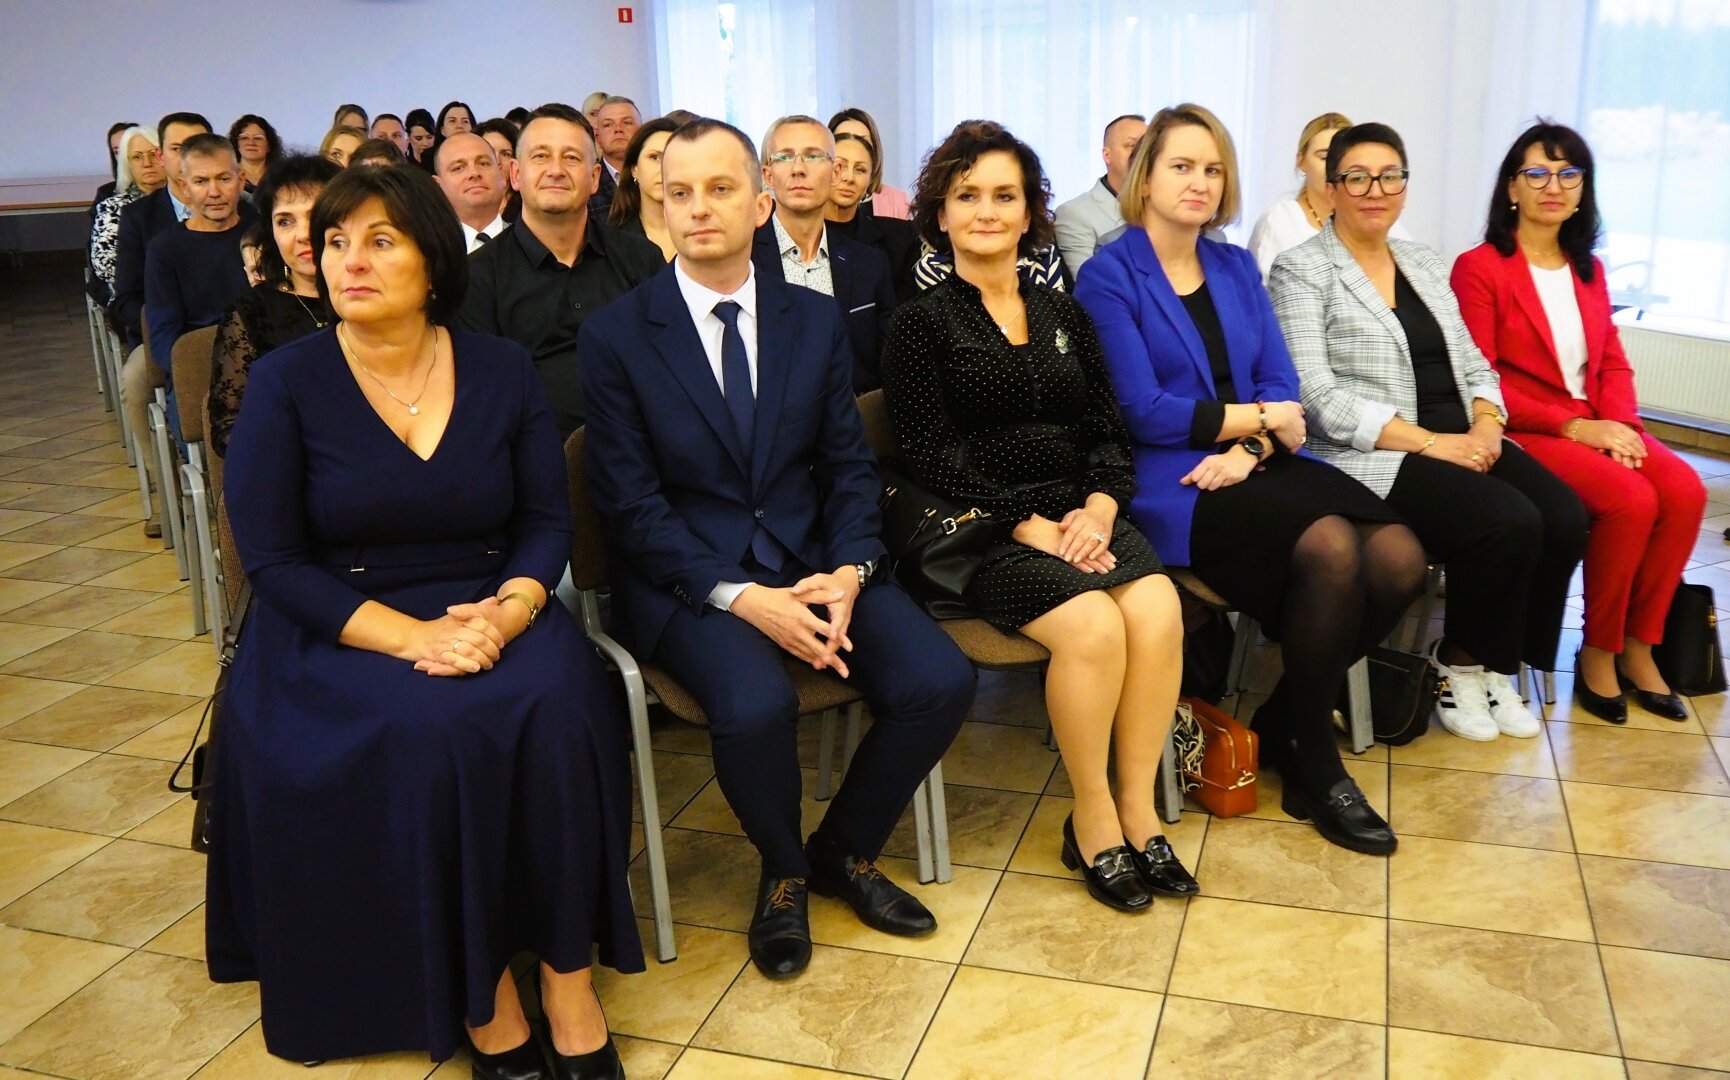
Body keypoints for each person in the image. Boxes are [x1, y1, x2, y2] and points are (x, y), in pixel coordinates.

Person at [210, 163, 640, 1078]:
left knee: (564, 707)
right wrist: (416, 638)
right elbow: (274, 562)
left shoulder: (500, 367)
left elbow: (544, 524)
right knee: (429, 726)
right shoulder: (286, 381)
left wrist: (510, 613)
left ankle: (567, 975)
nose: (348, 262)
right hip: (338, 618)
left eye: (380, 241)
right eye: (335, 243)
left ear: (434, 261)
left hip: (488, 600)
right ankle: (484, 995)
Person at [578, 119, 975, 981]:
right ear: (659, 205)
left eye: (720, 189)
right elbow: (631, 508)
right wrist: (743, 598)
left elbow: (846, 465)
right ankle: (784, 870)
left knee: (939, 680)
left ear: (760, 205)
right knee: (757, 705)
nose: (698, 208)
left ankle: (844, 849)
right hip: (688, 580)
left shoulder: (812, 318)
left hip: (815, 559)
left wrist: (852, 571)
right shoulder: (617, 335)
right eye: (679, 192)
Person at [1076, 105, 1422, 854]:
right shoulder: (1109, 275)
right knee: (1332, 548)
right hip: (1174, 480)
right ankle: (1315, 763)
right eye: (1181, 166)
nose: (1199, 182)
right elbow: (1144, 410)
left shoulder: (1234, 266)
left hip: (1254, 460)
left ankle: (1286, 718)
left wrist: (1254, 444)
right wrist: (1260, 421)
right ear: (1145, 178)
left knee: (1400, 556)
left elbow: (1282, 380)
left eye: (1213, 169)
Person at [880, 119, 1191, 910]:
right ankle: (1092, 818)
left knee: (1158, 608)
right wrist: (1029, 524)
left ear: (1029, 213)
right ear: (940, 214)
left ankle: (1138, 809)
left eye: (1004, 195)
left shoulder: (1064, 313)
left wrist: (1099, 506)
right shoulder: (919, 323)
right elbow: (932, 457)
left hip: (1080, 515)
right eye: (967, 196)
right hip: (986, 533)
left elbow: (1106, 431)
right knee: (1094, 626)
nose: (987, 211)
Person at [1268, 122, 1588, 742]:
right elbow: (1316, 395)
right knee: (1507, 521)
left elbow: (1474, 361)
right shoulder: (1301, 269)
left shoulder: (1421, 262)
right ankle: (1459, 665)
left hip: (1461, 432)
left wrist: (1488, 421)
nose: (1376, 190)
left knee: (1563, 515)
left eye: (1390, 176)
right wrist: (1432, 443)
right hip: (1377, 449)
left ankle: (1497, 664)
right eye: (1358, 177)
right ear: (1331, 188)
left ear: (1405, 186)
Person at [1452, 122, 1705, 724]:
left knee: (1686, 491)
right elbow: (1481, 376)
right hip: (1528, 428)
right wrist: (1576, 429)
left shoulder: (1587, 268)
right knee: (1630, 501)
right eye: (1537, 173)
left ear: (1583, 188)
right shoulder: (1479, 268)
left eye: (1569, 174)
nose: (1553, 186)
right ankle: (1599, 649)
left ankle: (1641, 646)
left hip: (1597, 419)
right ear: (1511, 188)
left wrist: (1620, 426)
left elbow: (1612, 360)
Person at [459, 103, 662, 437]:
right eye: (540, 156)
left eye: (571, 157)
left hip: (640, 446)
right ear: (515, 174)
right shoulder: (477, 278)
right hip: (532, 456)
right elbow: (485, 401)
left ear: (594, 178)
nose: (556, 170)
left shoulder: (641, 258)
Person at [113, 111, 211, 538]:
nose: (191, 156)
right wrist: (159, 326)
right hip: (163, 331)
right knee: (136, 380)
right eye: (177, 148)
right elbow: (124, 296)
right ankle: (168, 491)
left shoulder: (245, 210)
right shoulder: (141, 217)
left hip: (229, 331)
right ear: (163, 157)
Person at [750, 115, 896, 393]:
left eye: (813, 156)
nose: (798, 169)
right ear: (768, 175)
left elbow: (886, 364)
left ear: (835, 172)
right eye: (784, 157)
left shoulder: (870, 264)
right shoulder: (744, 260)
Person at [208, 155, 342, 457]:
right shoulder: (250, 312)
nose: (303, 235)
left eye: (316, 216)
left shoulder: (374, 299)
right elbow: (228, 429)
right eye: (285, 221)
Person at [143, 134, 256, 402]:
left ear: (241, 180)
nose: (214, 192)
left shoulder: (263, 235)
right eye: (201, 181)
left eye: (224, 179)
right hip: (199, 372)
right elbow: (165, 337)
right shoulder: (165, 249)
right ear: (185, 187)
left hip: (265, 365)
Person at [1248, 112, 1412, 280]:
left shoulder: (1379, 217)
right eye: (1325, 157)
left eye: (1341, 158)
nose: (1333, 166)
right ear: (1301, 161)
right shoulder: (1281, 220)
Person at [826, 131, 918, 303]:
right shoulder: (804, 237)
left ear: (871, 179)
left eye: (860, 170)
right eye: (840, 167)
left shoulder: (899, 239)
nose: (849, 178)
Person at [1054, 113, 1146, 272]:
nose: (1142, 154)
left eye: (1147, 147)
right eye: (1132, 146)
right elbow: (1087, 280)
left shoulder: (1166, 208)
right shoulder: (1073, 213)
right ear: (1107, 155)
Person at [89, 125, 163, 305]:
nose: (147, 163)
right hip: (135, 295)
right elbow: (107, 268)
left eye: (154, 154)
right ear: (126, 164)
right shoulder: (113, 207)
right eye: (137, 157)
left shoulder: (185, 200)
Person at [607, 117, 679, 261]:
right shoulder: (612, 240)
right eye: (654, 157)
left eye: (674, 158)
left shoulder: (702, 231)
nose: (664, 168)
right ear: (635, 169)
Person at [828, 108, 909, 219]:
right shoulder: (812, 201)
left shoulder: (897, 201)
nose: (853, 146)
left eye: (863, 141)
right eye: (843, 138)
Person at [432, 132, 506, 252]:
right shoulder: (425, 251)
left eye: (483, 164)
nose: (474, 173)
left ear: (501, 175)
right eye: (458, 168)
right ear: (438, 186)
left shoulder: (533, 239)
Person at [589, 96, 640, 215]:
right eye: (608, 125)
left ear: (641, 131)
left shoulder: (658, 176)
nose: (618, 129)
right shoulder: (588, 184)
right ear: (598, 138)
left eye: (627, 123)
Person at [476, 118, 521, 220]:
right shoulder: (465, 203)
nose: (497, 161)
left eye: (506, 154)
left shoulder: (528, 207)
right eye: (489, 153)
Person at [229, 114, 282, 190]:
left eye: (258, 138)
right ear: (236, 144)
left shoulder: (281, 177)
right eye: (244, 138)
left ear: (269, 145)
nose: (251, 143)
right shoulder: (228, 174)